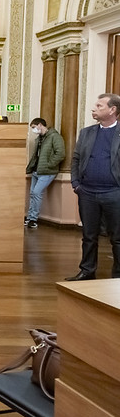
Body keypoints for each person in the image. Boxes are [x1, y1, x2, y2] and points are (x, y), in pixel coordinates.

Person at [66, 93, 120, 281]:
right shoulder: (86, 132)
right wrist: (76, 184)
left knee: (117, 238)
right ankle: (87, 271)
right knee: (89, 236)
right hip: (87, 192)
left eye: (99, 106)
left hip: (114, 193)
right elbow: (76, 159)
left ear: (112, 110)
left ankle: (118, 277)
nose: (93, 108)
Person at [25, 118, 65, 229]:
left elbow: (60, 153)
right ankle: (29, 217)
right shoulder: (39, 139)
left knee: (37, 193)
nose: (33, 130)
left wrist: (49, 164)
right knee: (33, 194)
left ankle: (33, 219)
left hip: (47, 171)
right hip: (37, 170)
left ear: (40, 125)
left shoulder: (55, 137)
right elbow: (36, 155)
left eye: (34, 127)